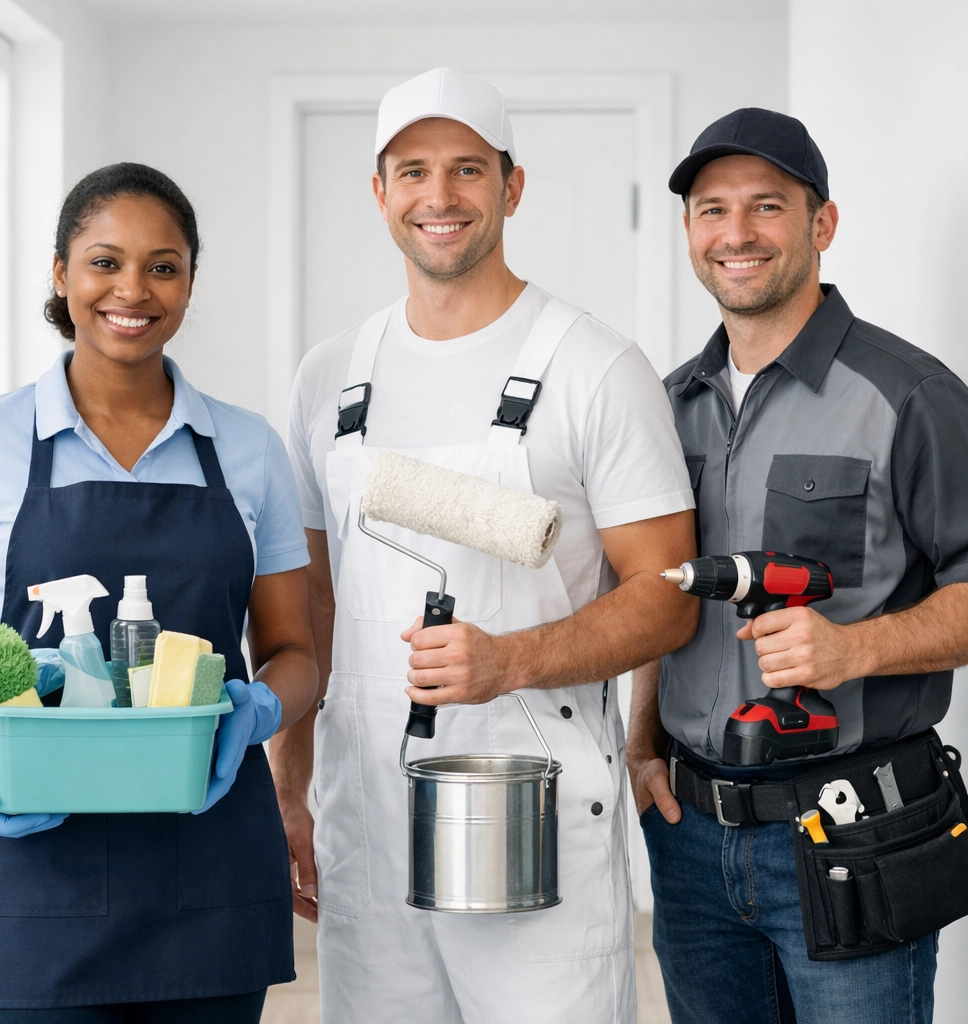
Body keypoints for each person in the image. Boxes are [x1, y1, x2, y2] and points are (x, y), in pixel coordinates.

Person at [274, 67, 698, 1024]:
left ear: (512, 187)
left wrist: (510, 660)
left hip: (530, 804)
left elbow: (669, 594)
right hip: (370, 812)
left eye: (468, 169)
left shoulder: (595, 367)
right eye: (413, 170)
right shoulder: (330, 376)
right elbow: (314, 602)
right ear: (379, 193)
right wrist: (290, 785)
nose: (440, 196)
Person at [0, 163, 318, 1020]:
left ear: (189, 281)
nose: (133, 291)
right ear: (60, 274)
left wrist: (255, 710)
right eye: (105, 262)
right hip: (30, 875)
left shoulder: (248, 448)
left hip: (209, 860)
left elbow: (298, 654)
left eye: (163, 265)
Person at [628, 108, 968, 1024]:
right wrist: (641, 741)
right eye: (710, 210)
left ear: (821, 225)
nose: (735, 234)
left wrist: (851, 651)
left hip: (854, 828)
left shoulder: (914, 397)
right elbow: (666, 602)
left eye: (765, 206)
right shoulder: (667, 407)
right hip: (692, 840)